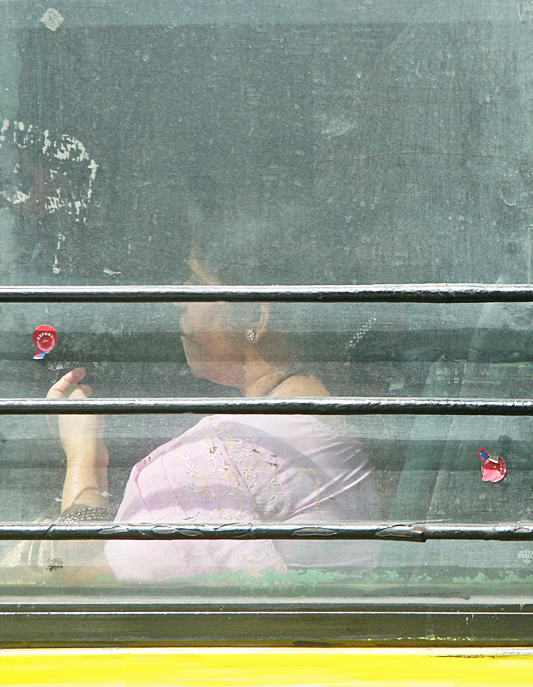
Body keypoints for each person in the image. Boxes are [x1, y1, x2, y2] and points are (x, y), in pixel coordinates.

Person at [32, 198, 382, 583]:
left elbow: (75, 585)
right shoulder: (330, 424)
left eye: (196, 283)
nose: (180, 299)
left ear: (253, 318)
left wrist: (84, 457)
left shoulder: (228, 456)